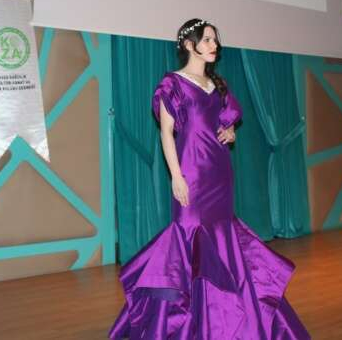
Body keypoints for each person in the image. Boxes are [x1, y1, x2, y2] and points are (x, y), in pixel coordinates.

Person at [109, 19, 310, 339]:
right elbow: (166, 134)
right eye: (207, 40)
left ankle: (228, 318)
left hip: (219, 174)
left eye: (215, 40)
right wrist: (176, 176)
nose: (214, 45)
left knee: (222, 240)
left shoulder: (218, 85)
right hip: (191, 173)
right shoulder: (172, 83)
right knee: (188, 238)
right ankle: (185, 322)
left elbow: (224, 124)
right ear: (189, 45)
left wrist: (230, 132)